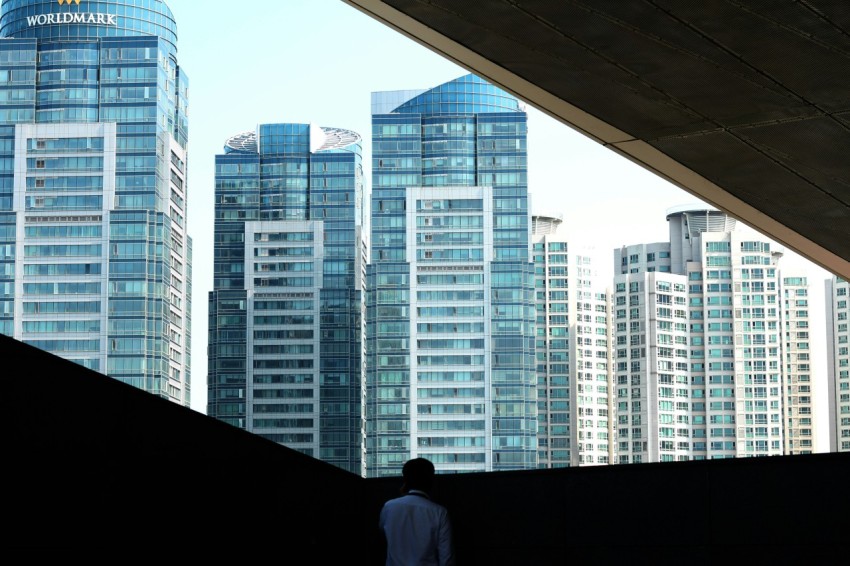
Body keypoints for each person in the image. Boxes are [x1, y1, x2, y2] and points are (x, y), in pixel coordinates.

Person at [378, 457, 455, 566]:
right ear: (431, 481)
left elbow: (383, 536)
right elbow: (446, 558)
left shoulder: (389, 507)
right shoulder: (439, 512)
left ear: (405, 480)